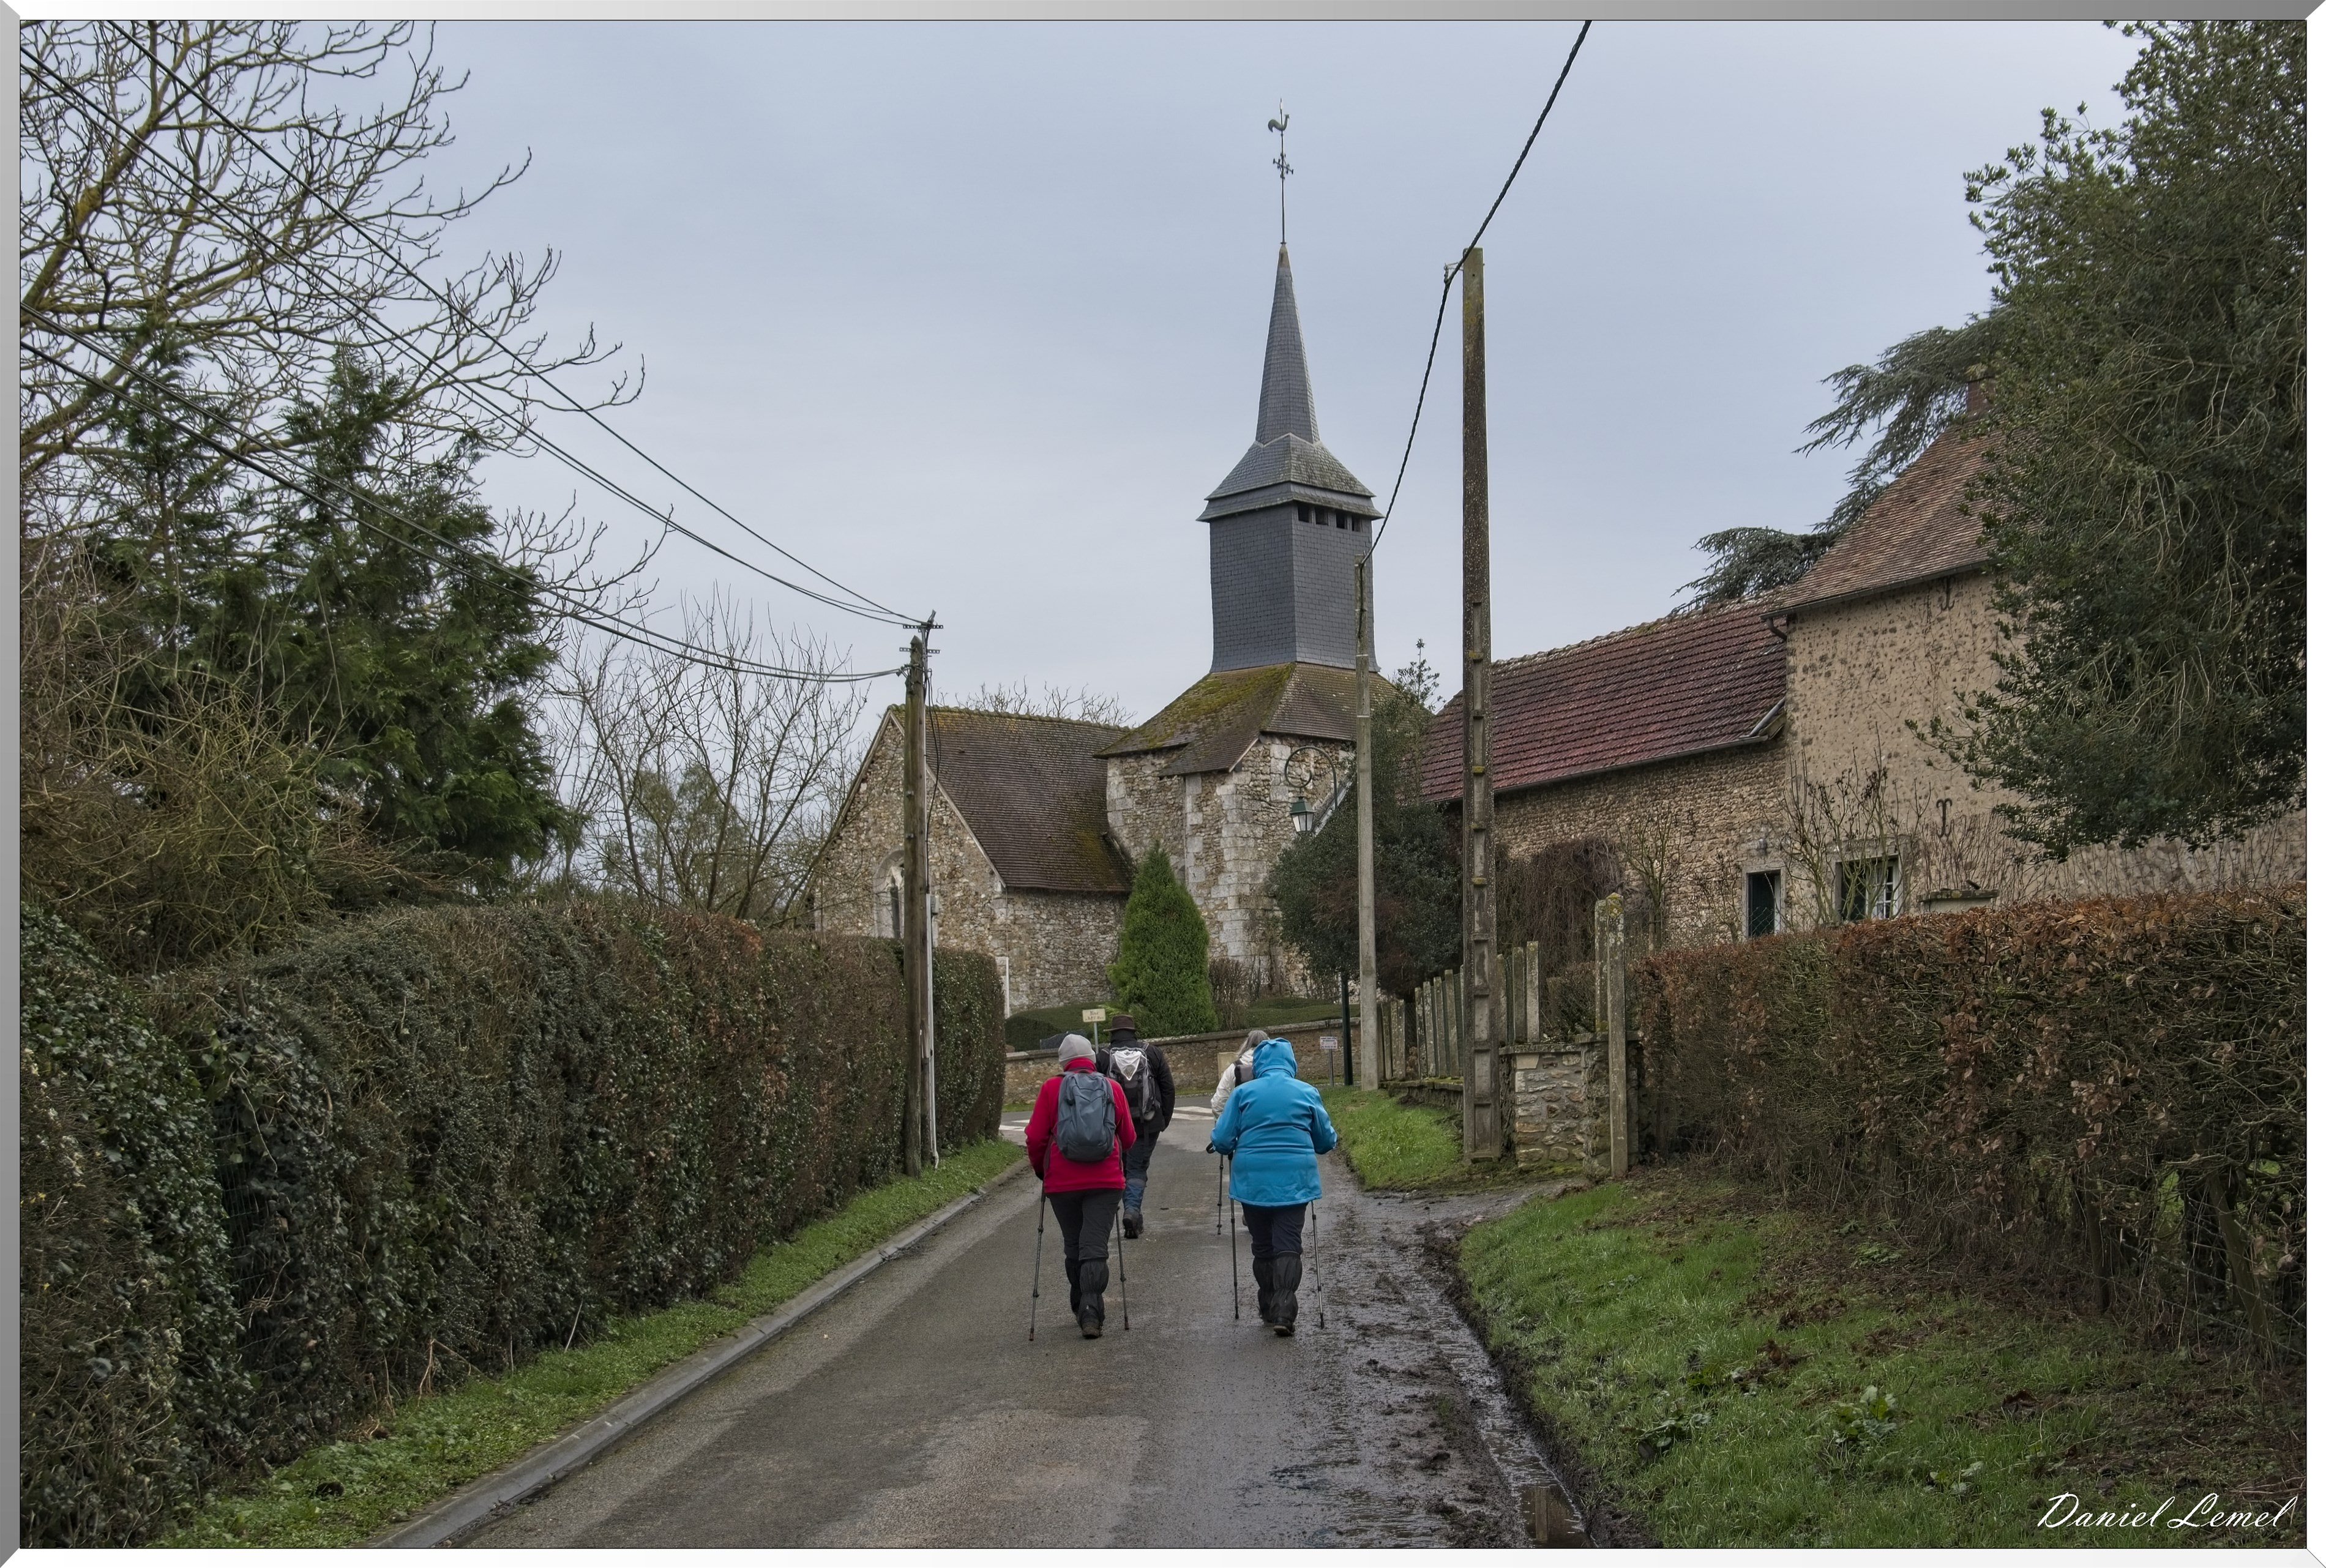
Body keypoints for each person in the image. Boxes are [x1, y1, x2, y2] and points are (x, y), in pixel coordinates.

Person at [1206, 1036, 1337, 1335]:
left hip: (1253, 1182)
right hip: (1295, 1182)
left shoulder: (1243, 1094)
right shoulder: (1307, 1093)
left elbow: (1224, 1140)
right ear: (1291, 1062)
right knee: (1288, 1244)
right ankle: (1284, 1310)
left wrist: (1222, 1142)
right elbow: (1326, 1141)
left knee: (1263, 1246)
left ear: (1260, 1064)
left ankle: (1267, 1305)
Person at [1023, 1033, 1135, 1338]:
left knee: (1074, 1244)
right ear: (1091, 1060)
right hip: (1106, 1180)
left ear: (1063, 1063)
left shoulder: (1051, 1088)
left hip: (1062, 1182)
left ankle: (1080, 1304)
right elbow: (1128, 1138)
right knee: (1095, 1246)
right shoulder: (1111, 1087)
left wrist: (1041, 1171)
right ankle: (1091, 1310)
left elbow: (1035, 1138)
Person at [1102, 1012, 1175, 1238]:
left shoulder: (1103, 1057)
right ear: (1133, 1033)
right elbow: (1168, 1088)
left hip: (1114, 1125)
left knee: (1122, 1168)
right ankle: (1133, 1212)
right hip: (1147, 1123)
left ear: (1113, 1035)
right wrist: (1164, 1120)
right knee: (1137, 1168)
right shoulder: (1151, 1052)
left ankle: (1133, 1214)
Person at [1210, 1027, 1270, 1115]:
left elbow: (1218, 1103)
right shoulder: (1276, 1067)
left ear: (1247, 1043)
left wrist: (1223, 1124)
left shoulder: (1234, 1068)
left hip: (1243, 1123)